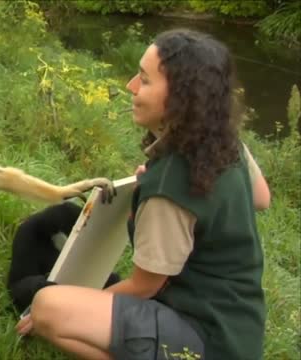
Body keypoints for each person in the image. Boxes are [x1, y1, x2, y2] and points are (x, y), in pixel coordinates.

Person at [14, 28, 271, 360]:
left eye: (145, 80)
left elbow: (145, 286)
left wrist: (81, 302)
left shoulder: (167, 190)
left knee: (48, 306)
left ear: (182, 97)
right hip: (239, 327)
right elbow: (261, 197)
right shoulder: (223, 140)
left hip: (205, 341)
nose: (131, 86)